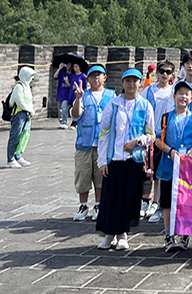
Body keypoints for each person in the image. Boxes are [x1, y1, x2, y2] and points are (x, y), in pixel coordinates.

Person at [96, 68, 156, 251]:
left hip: (134, 159)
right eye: (128, 81)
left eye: (135, 81)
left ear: (140, 83)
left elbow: (151, 135)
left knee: (129, 198)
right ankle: (109, 234)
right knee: (110, 197)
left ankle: (123, 234)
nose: (131, 84)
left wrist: (137, 141)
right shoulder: (113, 104)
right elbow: (103, 133)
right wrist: (102, 161)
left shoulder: (145, 105)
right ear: (122, 83)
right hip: (114, 158)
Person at [154, 80, 192, 252]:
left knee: (186, 202)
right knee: (167, 203)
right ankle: (169, 236)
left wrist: (191, 152)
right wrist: (171, 151)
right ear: (174, 96)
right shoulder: (166, 117)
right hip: (169, 165)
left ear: (191, 98)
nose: (183, 97)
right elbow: (157, 140)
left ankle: (184, 235)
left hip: (188, 167)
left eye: (186, 94)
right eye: (180, 93)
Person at [70, 65, 115, 222]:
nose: (96, 78)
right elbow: (75, 116)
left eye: (99, 75)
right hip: (85, 142)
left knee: (100, 177)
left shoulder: (112, 95)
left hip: (104, 144)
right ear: (87, 79)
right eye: (93, 76)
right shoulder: (83, 95)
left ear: (104, 77)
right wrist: (78, 99)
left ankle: (98, 205)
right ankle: (83, 205)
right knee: (82, 175)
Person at [142, 61, 175, 223]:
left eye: (168, 72)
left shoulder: (174, 92)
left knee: (160, 171)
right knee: (147, 170)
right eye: (162, 71)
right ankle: (146, 200)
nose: (164, 74)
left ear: (172, 75)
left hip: (164, 137)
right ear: (157, 73)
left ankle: (156, 201)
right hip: (150, 135)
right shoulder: (149, 90)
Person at [6, 67, 36, 168]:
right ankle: (10, 159)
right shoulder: (19, 86)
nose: (32, 78)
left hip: (27, 114)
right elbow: (20, 102)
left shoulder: (27, 86)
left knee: (23, 136)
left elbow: (29, 101)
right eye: (30, 76)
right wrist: (29, 110)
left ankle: (18, 156)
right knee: (15, 136)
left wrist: (31, 111)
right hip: (18, 114)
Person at [68, 63, 87, 129]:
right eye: (74, 67)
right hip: (72, 93)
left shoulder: (83, 76)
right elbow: (70, 85)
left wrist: (84, 95)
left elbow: (85, 87)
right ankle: (75, 122)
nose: (75, 68)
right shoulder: (72, 75)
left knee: (78, 106)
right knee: (72, 107)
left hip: (80, 94)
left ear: (80, 67)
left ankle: (74, 123)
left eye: (76, 66)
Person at [54, 62, 72, 130]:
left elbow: (72, 86)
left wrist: (67, 82)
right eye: (66, 64)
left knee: (64, 108)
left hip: (67, 95)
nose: (67, 65)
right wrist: (59, 68)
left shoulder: (72, 75)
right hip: (60, 93)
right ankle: (61, 122)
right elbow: (55, 76)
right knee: (59, 109)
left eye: (69, 64)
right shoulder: (62, 73)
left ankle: (65, 122)